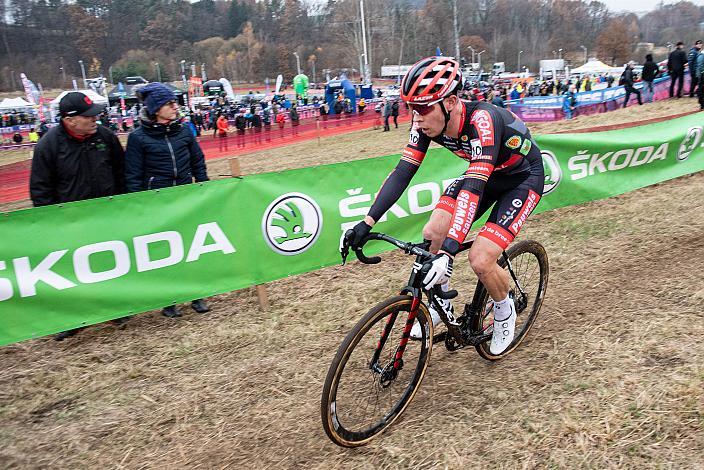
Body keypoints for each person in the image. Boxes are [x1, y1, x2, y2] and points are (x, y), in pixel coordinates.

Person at [343, 57, 544, 354]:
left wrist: (449, 253)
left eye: (423, 109)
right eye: (411, 108)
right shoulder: (424, 121)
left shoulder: (482, 121)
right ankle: (441, 304)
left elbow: (474, 188)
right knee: (434, 230)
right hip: (485, 174)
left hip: (521, 179)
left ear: (450, 101)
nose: (417, 117)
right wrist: (366, 222)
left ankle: (504, 310)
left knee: (480, 258)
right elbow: (403, 172)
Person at [30, 91, 126, 341]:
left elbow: (120, 171)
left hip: (106, 214)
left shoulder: (105, 136)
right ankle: (75, 318)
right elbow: (40, 188)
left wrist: (123, 205)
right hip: (70, 220)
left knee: (107, 261)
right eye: (88, 116)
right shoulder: (49, 145)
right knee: (74, 269)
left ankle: (115, 308)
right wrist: (51, 221)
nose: (96, 119)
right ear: (69, 120)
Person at [124, 83, 211, 318]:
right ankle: (169, 300)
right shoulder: (138, 138)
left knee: (191, 248)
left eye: (175, 103)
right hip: (157, 202)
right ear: (155, 109)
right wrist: (138, 204)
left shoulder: (183, 131)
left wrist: (203, 187)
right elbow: (133, 175)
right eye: (169, 104)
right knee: (165, 251)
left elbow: (197, 161)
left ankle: (196, 295)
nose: (175, 107)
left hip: (185, 198)